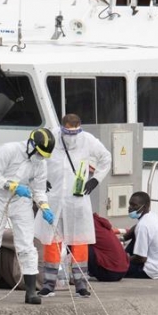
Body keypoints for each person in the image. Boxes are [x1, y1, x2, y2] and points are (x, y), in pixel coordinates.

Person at [0, 128, 55, 304]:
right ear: (31, 144)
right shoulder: (8, 150)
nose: (40, 157)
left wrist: (45, 206)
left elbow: (38, 190)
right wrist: (13, 186)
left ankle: (31, 291)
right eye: (38, 153)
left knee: (26, 245)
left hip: (21, 202)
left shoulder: (40, 163)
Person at [36, 113, 112, 297]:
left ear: (80, 128)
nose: (72, 137)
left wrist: (96, 180)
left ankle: (81, 284)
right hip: (54, 198)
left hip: (76, 200)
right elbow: (36, 157)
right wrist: (40, 179)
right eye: (68, 133)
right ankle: (49, 284)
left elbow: (106, 158)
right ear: (61, 128)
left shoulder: (87, 140)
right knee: (52, 241)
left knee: (79, 241)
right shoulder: (51, 137)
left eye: (75, 132)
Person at [122, 192, 158, 279]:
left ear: (145, 207)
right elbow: (135, 228)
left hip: (152, 271)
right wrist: (122, 238)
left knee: (114, 268)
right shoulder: (152, 217)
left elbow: (140, 258)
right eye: (130, 204)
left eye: (134, 205)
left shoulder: (143, 226)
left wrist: (124, 259)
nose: (130, 208)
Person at [88, 213, 129, 282]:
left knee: (79, 244)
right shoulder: (97, 222)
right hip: (122, 271)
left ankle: (77, 276)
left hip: (109, 272)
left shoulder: (88, 225)